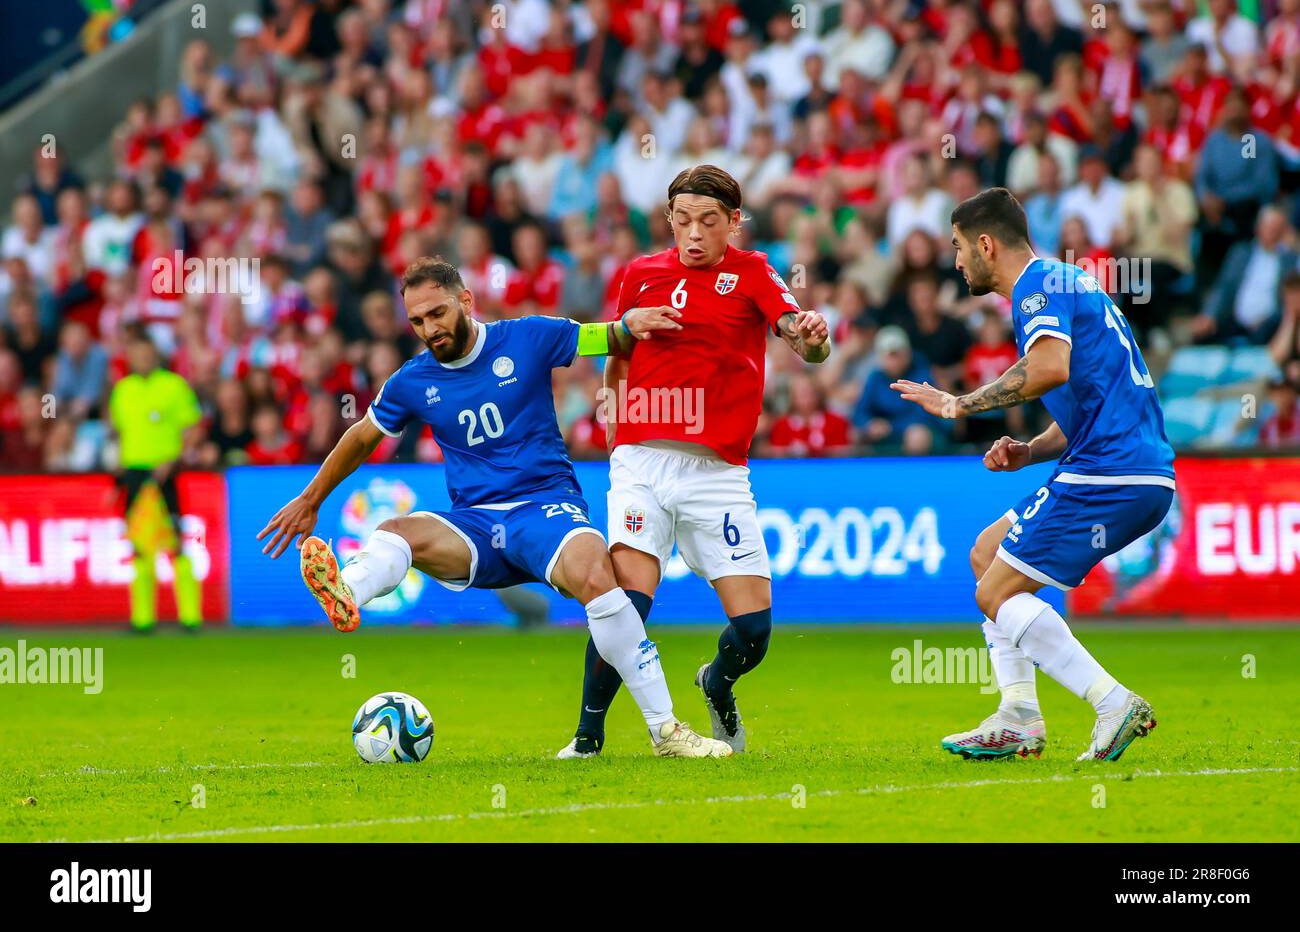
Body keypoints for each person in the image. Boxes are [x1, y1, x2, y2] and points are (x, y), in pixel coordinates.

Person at [257, 256, 730, 759]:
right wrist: (310, 501)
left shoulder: (527, 338)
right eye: (417, 321)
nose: (429, 329)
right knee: (397, 530)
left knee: (596, 574)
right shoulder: (412, 381)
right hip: (476, 527)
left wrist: (628, 325)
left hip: (546, 509)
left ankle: (666, 731)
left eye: (437, 313)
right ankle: (348, 591)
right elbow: (362, 435)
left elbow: (605, 338)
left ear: (465, 300)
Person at [891, 188, 1174, 762]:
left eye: (958, 247)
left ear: (986, 244)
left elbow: (1049, 368)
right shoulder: (1070, 282)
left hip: (1109, 473)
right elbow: (1086, 400)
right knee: (986, 554)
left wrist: (958, 404)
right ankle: (1019, 715)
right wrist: (1028, 449)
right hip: (1126, 467)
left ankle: (1113, 702)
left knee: (994, 591)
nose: (956, 261)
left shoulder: (1038, 285)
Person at [557, 164, 830, 758]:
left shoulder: (754, 272)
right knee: (624, 603)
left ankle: (716, 681)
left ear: (734, 222)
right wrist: (612, 409)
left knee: (754, 632)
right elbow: (618, 346)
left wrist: (813, 336)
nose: (695, 234)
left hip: (718, 472)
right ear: (670, 221)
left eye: (709, 221)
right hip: (641, 461)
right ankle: (586, 737)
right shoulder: (640, 274)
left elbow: (802, 340)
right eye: (683, 221)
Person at [108, 326, 204, 632]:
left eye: (147, 354)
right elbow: (120, 434)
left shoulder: (174, 386)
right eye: (137, 355)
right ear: (130, 359)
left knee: (175, 543)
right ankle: (142, 619)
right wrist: (119, 476)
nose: (143, 360)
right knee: (138, 545)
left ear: (157, 356)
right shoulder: (123, 390)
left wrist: (174, 459)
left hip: (165, 473)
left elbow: (193, 429)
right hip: (134, 473)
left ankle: (191, 617)